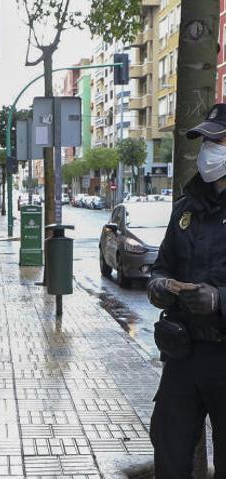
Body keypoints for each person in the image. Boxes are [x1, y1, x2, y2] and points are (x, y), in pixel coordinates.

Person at [148, 103, 226, 477]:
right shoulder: (186, 206)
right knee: (169, 448)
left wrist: (219, 298)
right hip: (183, 354)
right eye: (206, 141)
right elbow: (162, 266)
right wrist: (160, 285)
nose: (209, 149)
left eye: (219, 140)